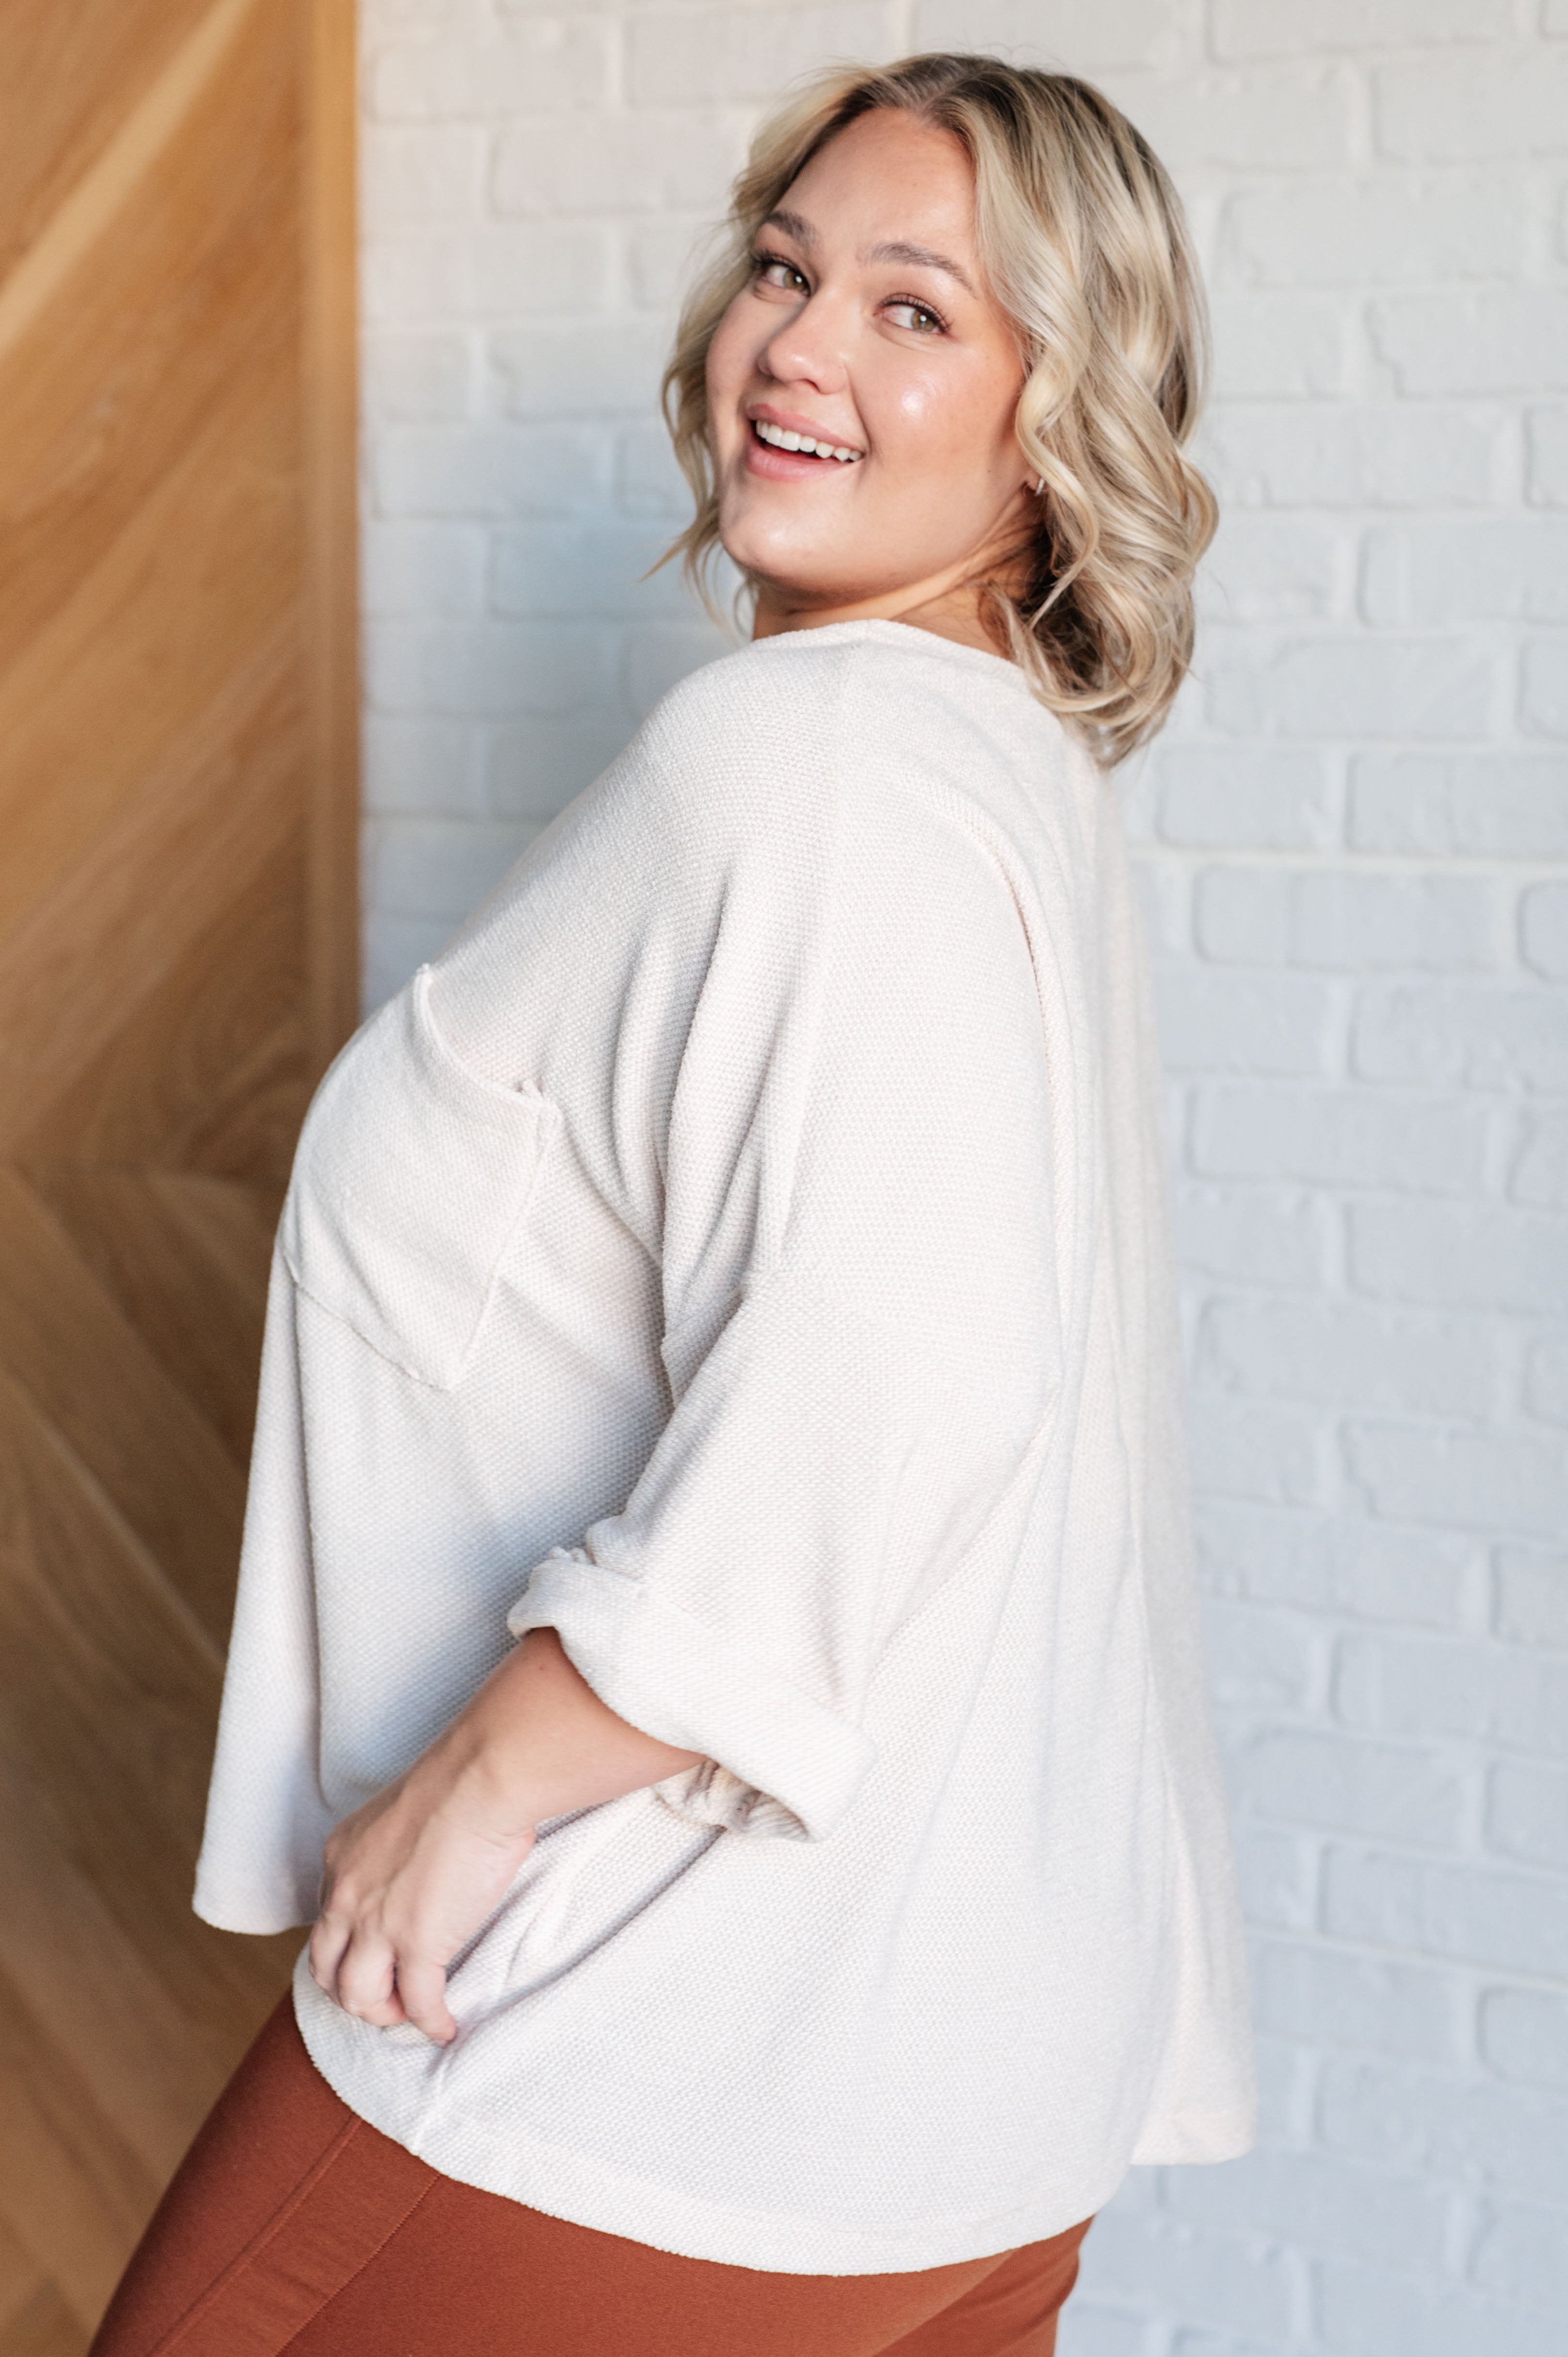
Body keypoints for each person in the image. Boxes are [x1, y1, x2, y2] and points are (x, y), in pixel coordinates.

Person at [90, 52, 1256, 2357]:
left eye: (917, 310)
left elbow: (905, 1372)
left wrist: (485, 1780)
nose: (795, 346)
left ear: (1057, 413)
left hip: (651, 2052)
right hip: (966, 2120)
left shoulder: (803, 767)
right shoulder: (989, 775)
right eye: (785, 268)